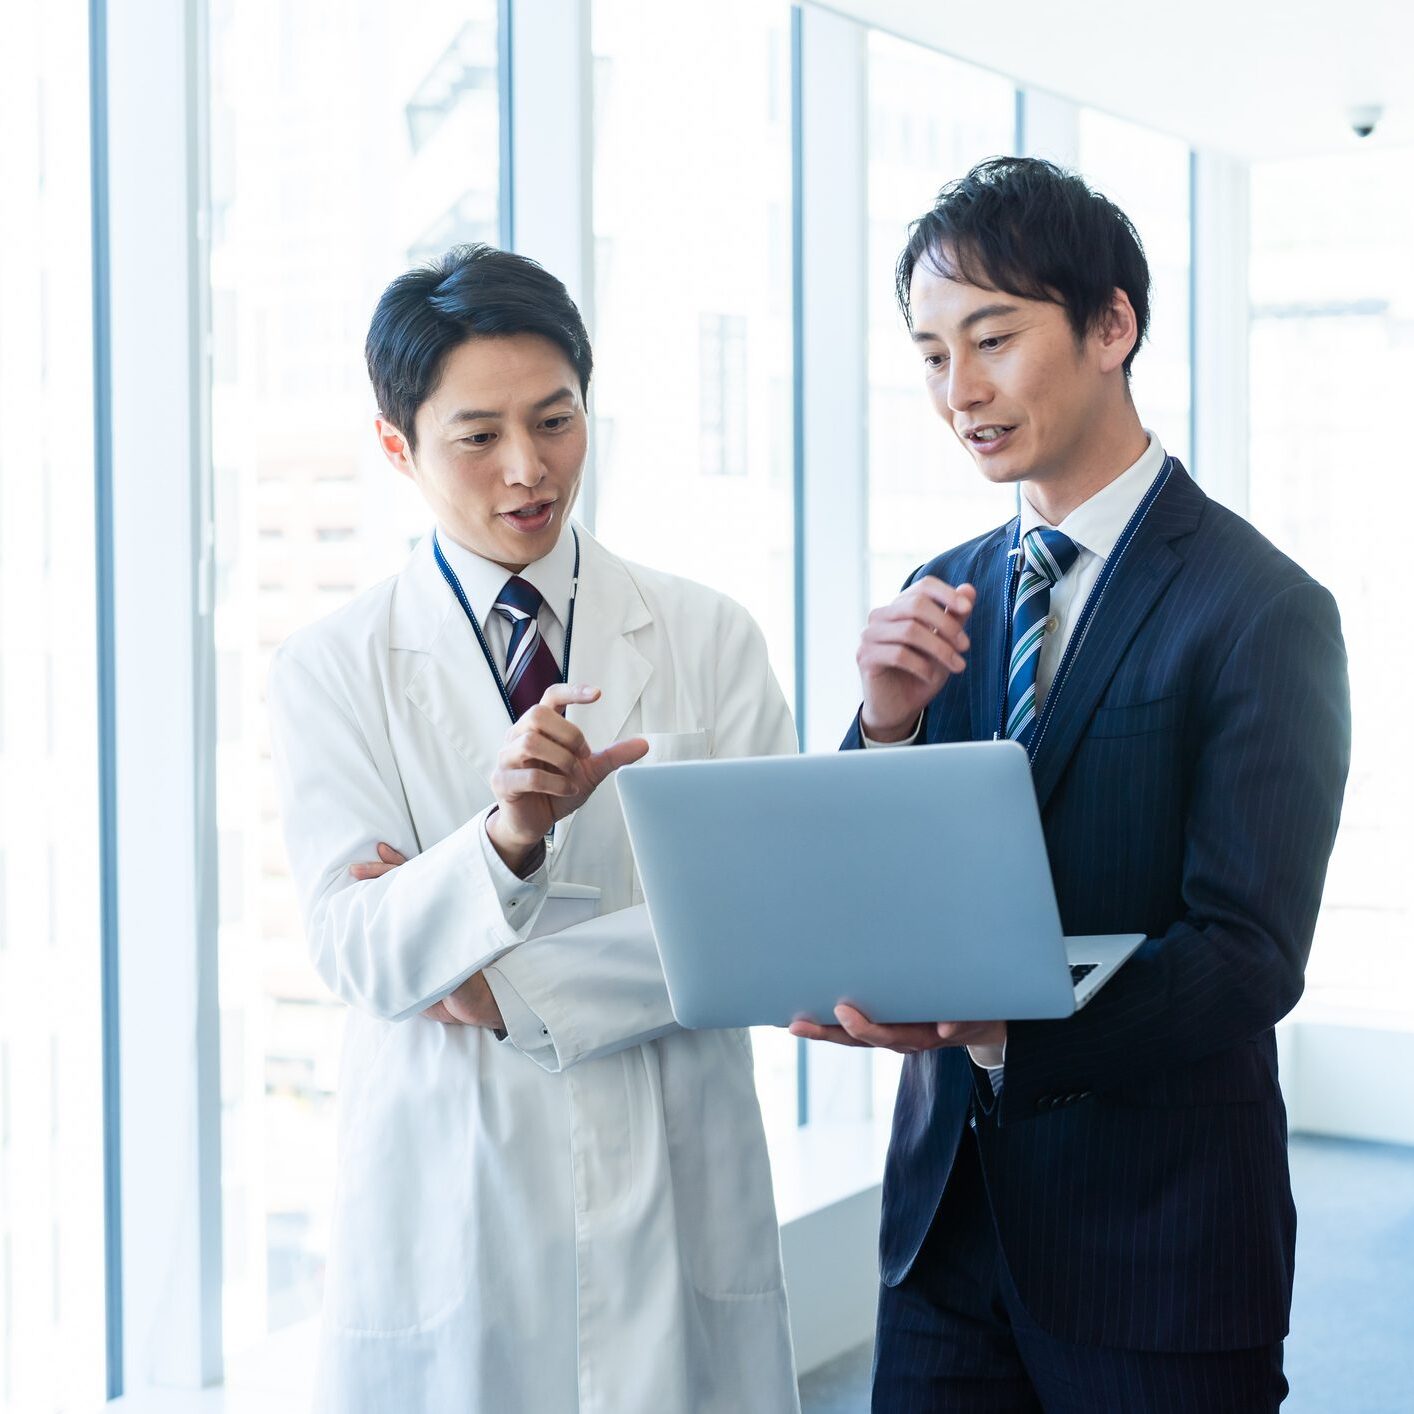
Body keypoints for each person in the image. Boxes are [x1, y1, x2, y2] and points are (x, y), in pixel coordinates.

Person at [791, 157, 1351, 1411]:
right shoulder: (944, 586)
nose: (960, 390)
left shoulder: (1260, 609)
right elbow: (873, 873)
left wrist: (997, 1027)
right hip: (946, 1242)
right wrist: (883, 725)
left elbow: (1247, 951)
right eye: (931, 354)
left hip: (1156, 1250)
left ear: (1113, 325)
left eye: (991, 338)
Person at [267, 244, 800, 1414]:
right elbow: (359, 948)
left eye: (556, 421)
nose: (528, 468)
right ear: (396, 447)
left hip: (676, 1181)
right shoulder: (334, 669)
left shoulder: (707, 636)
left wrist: (512, 984)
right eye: (477, 436)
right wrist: (503, 842)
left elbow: (771, 923)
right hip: (454, 1191)